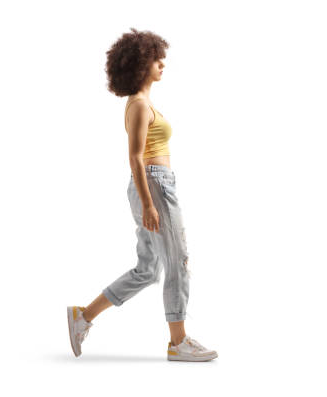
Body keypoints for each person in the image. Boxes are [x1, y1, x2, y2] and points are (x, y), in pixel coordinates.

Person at [67, 28, 218, 362]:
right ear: (139, 64)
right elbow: (135, 156)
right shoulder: (138, 105)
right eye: (154, 58)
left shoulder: (144, 103)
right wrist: (149, 203)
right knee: (177, 261)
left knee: (148, 269)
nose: (162, 63)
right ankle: (178, 343)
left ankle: (83, 316)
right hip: (153, 185)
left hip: (153, 184)